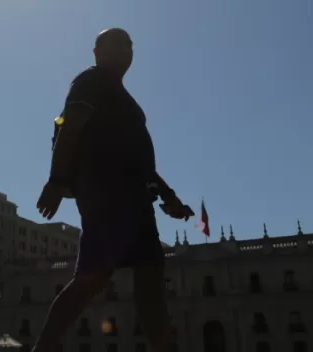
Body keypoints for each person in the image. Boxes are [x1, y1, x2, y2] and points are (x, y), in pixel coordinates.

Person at [34, 28, 194, 352]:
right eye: (114, 44)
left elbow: (140, 159)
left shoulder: (126, 100)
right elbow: (71, 128)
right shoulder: (90, 82)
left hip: (135, 199)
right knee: (96, 278)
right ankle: (45, 348)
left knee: (144, 278)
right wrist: (55, 180)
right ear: (96, 51)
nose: (123, 49)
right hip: (105, 195)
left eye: (128, 44)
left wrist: (168, 195)